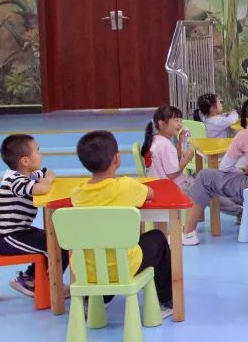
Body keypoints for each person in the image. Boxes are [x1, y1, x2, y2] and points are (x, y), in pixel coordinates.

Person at [70, 131, 173, 320]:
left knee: (98, 249)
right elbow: (150, 193)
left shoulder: (78, 194)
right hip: (124, 266)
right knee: (157, 238)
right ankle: (166, 300)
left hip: (86, 269)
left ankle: (94, 298)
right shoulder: (126, 187)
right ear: (116, 158)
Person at [184, 90, 248, 245]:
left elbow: (224, 167)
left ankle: (188, 232)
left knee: (204, 177)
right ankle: (242, 213)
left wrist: (245, 171)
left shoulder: (244, 136)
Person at [0, 134, 68, 297]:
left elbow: (49, 172)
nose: (41, 155)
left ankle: (33, 278)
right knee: (55, 246)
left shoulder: (30, 174)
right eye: (37, 151)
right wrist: (46, 182)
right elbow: (42, 189)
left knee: (59, 241)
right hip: (7, 237)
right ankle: (34, 282)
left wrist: (46, 179)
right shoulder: (15, 180)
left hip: (19, 231)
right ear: (25, 161)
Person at [141, 105, 194, 189]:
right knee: (202, 183)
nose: (180, 125)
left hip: (161, 187)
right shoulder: (165, 145)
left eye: (181, 121)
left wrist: (180, 141)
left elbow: (173, 162)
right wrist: (187, 158)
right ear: (162, 124)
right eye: (176, 121)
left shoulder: (156, 140)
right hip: (175, 187)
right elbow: (173, 173)